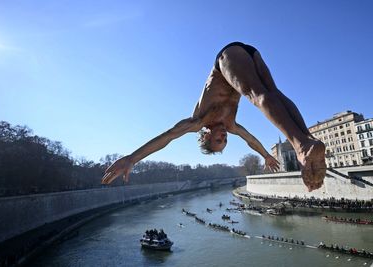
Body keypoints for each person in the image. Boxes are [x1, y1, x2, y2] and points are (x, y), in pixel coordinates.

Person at [102, 41, 326, 191]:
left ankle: (301, 145)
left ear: (206, 136)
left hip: (227, 58)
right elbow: (251, 141)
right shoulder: (230, 124)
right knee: (273, 93)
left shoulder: (198, 120)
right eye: (225, 140)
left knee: (257, 96)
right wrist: (266, 155)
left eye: (219, 139)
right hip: (251, 54)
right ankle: (307, 139)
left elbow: (167, 138)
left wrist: (132, 158)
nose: (224, 136)